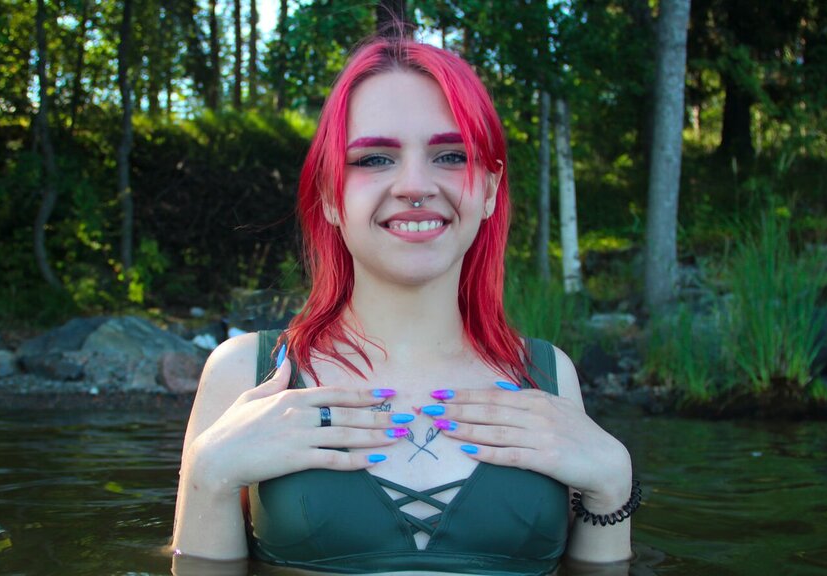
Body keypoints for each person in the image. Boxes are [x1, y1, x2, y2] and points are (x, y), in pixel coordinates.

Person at [171, 34, 637, 575]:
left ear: (489, 190)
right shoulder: (242, 374)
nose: (415, 185)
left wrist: (613, 484)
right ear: (330, 195)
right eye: (374, 158)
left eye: (450, 156)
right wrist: (208, 476)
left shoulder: (549, 373)